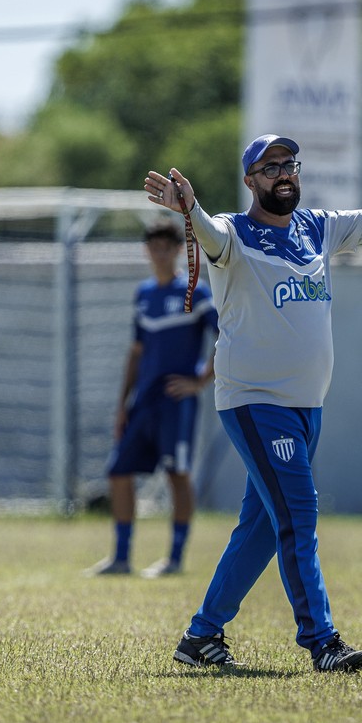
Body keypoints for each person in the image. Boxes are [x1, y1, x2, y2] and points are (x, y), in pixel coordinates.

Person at [143, 135, 362, 672]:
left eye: (289, 164)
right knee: (300, 513)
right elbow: (210, 232)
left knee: (264, 525)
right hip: (255, 401)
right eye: (269, 168)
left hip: (306, 406)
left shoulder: (317, 227)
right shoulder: (234, 236)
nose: (283, 174)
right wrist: (190, 207)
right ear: (250, 181)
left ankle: (200, 636)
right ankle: (323, 641)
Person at [85, 220, 219, 578]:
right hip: (143, 402)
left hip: (177, 401)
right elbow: (136, 351)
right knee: (119, 471)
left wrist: (200, 382)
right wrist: (121, 405)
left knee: (177, 473)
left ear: (178, 251)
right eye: (153, 247)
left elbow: (227, 337)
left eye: (167, 247)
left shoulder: (196, 292)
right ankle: (121, 557)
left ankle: (174, 559)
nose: (159, 254)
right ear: (146, 251)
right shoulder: (143, 295)